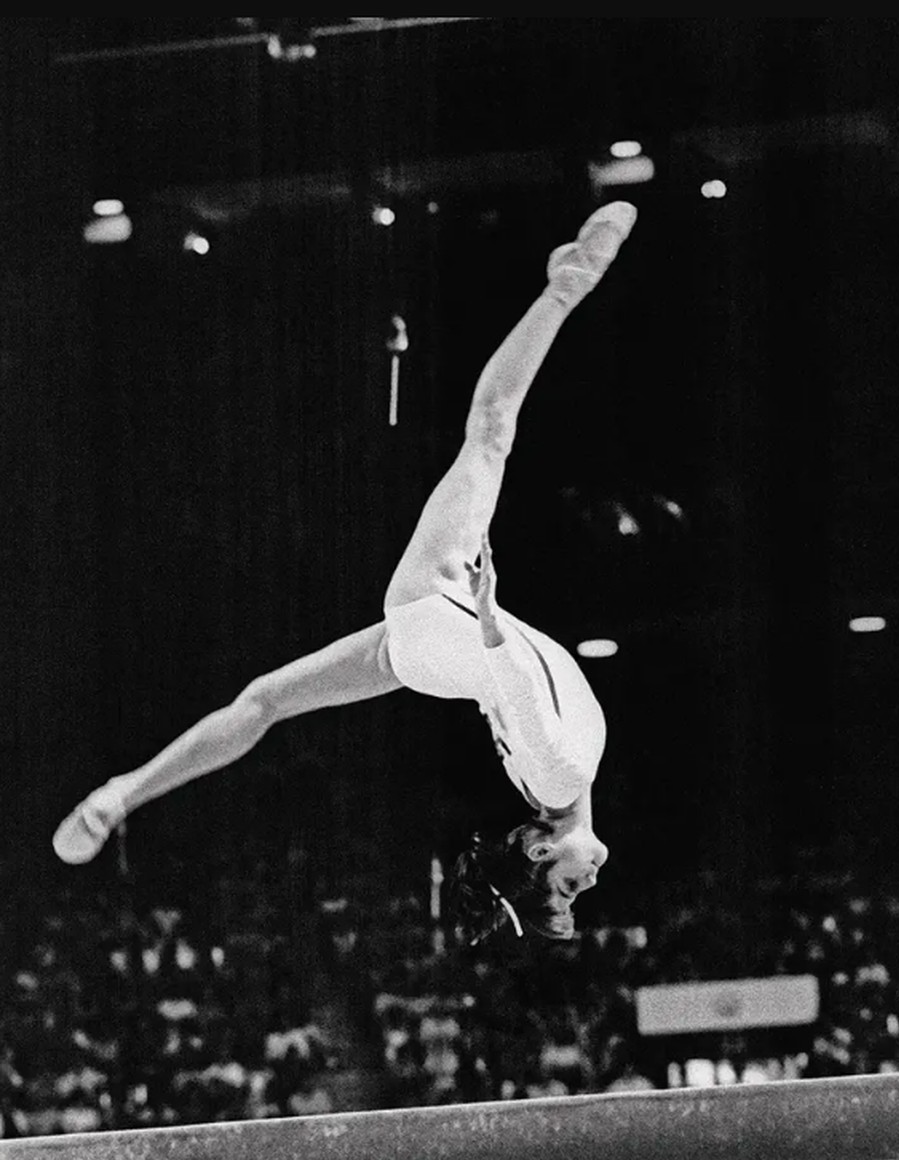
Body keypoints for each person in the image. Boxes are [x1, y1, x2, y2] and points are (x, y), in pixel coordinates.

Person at [52, 202, 637, 942]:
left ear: (537, 846)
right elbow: (510, 701)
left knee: (490, 434)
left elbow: (518, 693)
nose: (588, 886)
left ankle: (568, 283)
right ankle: (120, 796)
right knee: (264, 702)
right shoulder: (546, 789)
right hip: (436, 650)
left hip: (439, 611)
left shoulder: (554, 784)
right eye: (575, 900)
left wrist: (489, 619)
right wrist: (489, 633)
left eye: (565, 889)